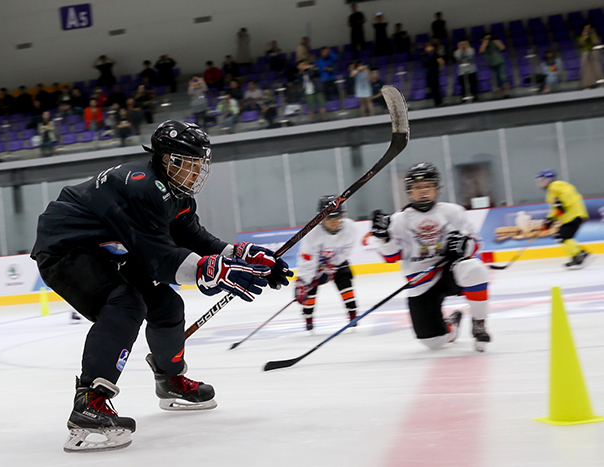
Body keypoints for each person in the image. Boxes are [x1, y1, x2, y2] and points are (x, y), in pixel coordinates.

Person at [30, 120, 292, 452]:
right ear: (168, 159)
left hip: (107, 249)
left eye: (201, 164)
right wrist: (216, 271)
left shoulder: (175, 193)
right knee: (125, 303)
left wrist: (242, 256)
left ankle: (170, 381)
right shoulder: (141, 186)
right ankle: (88, 404)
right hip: (66, 247)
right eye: (191, 164)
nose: (197, 172)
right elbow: (159, 260)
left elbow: (193, 238)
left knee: (166, 306)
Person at [370, 162, 491, 352]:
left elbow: (476, 243)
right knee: (433, 342)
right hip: (421, 281)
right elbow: (392, 257)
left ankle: (479, 323)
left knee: (474, 268)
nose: (423, 191)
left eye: (428, 186)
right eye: (417, 187)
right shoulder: (398, 220)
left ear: (436, 188)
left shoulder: (452, 211)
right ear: (410, 191)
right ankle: (452, 325)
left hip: (451, 272)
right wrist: (384, 239)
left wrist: (463, 246)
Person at [295, 196, 358, 331]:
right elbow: (307, 260)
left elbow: (347, 251)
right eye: (329, 219)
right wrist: (303, 282)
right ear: (321, 219)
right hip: (315, 263)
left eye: (337, 218)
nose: (334, 223)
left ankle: (353, 314)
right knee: (310, 286)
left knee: (345, 276)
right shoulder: (312, 233)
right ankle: (308, 317)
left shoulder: (350, 227)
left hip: (335, 260)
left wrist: (332, 265)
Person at [536, 170, 591, 268]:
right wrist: (549, 220)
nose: (540, 182)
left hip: (574, 215)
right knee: (561, 236)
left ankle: (579, 255)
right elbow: (556, 209)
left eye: (542, 180)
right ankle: (579, 254)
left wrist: (562, 203)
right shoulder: (551, 191)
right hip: (571, 216)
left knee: (564, 236)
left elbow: (568, 194)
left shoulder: (556, 185)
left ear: (548, 179)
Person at [479, 33, 509, 98]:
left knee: (504, 78)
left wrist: (496, 40)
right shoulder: (484, 45)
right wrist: (485, 42)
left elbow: (502, 48)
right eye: (487, 38)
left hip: (500, 62)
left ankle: (508, 93)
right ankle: (502, 95)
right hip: (492, 64)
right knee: (497, 80)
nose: (489, 39)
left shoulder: (494, 42)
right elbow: (481, 51)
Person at [577, 23, 603, 89]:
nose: (587, 30)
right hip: (585, 53)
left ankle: (598, 84)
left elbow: (596, 41)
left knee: (596, 68)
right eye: (586, 28)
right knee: (586, 69)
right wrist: (584, 35)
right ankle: (587, 85)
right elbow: (581, 43)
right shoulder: (581, 36)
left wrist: (592, 34)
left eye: (588, 28)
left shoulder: (593, 35)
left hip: (593, 52)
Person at [423, 42, 445, 107]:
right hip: (430, 73)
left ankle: (439, 102)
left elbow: (441, 61)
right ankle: (436, 102)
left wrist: (439, 69)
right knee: (432, 88)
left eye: (428, 47)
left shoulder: (435, 54)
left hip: (434, 72)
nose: (426, 49)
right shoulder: (428, 55)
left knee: (436, 87)